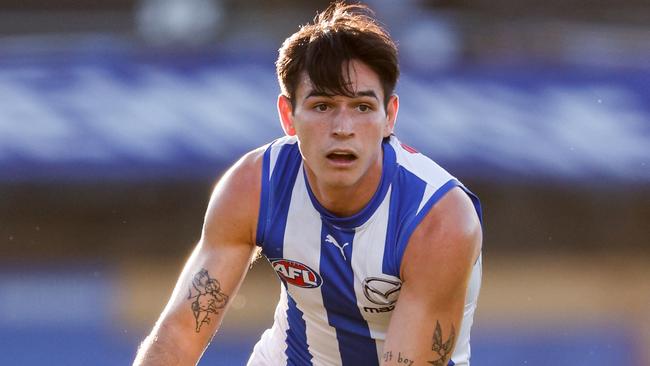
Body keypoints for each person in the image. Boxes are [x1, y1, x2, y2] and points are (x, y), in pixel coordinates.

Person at [133, 2, 483, 365]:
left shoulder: (440, 220)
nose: (343, 128)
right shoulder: (254, 185)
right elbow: (178, 334)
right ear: (288, 116)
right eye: (322, 106)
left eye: (362, 107)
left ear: (389, 116)